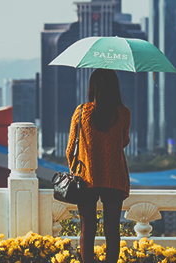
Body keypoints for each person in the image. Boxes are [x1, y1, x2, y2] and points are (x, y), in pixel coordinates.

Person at [66, 68, 131, 263]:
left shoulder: (81, 112)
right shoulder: (123, 113)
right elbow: (124, 141)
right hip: (115, 177)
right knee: (112, 230)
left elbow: (70, 149)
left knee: (87, 229)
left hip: (87, 178)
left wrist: (76, 169)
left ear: (92, 87)